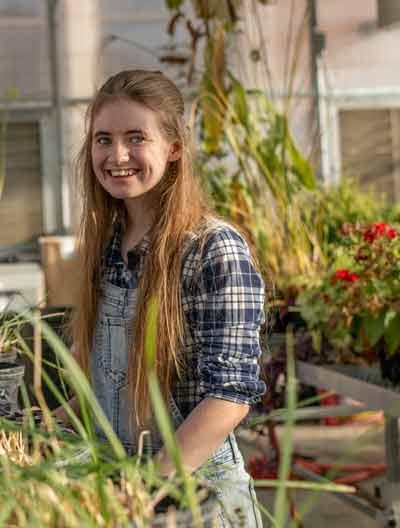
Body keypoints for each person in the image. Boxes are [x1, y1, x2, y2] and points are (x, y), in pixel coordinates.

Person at [57, 69, 266, 527]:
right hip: (118, 489)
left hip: (194, 501)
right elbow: (106, 386)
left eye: (136, 138)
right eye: (103, 139)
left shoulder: (212, 249)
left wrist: (148, 489)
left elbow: (228, 398)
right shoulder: (104, 248)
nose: (117, 155)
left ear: (173, 148)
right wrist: (47, 427)